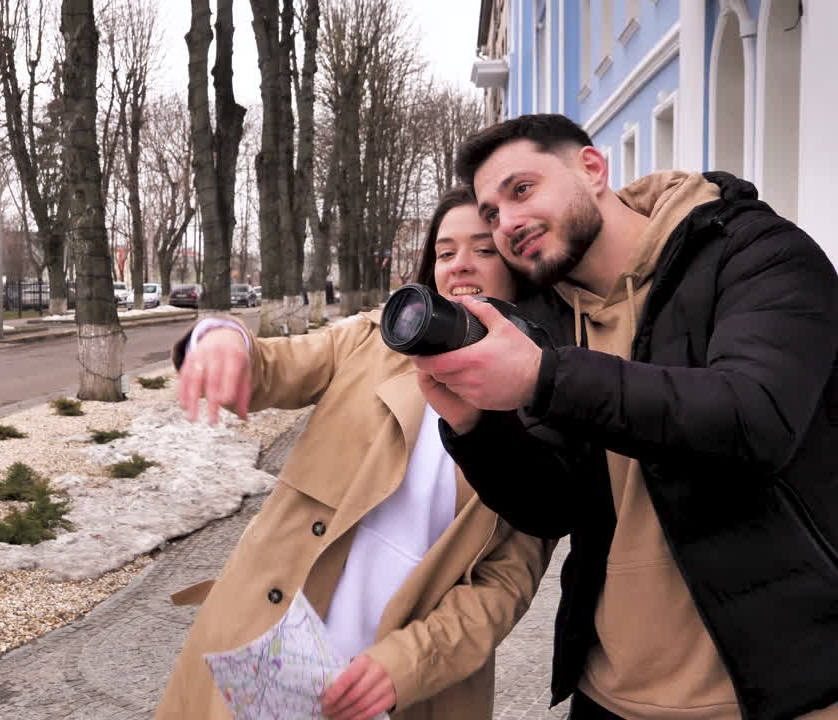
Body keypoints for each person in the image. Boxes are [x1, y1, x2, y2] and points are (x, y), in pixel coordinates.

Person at [413, 114, 838, 720]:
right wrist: (479, 429)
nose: (506, 222)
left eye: (522, 189)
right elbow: (554, 508)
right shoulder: (549, 318)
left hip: (779, 692)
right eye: (492, 213)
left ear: (592, 169)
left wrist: (543, 378)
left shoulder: (756, 252)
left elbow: (755, 420)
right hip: (608, 691)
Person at [154, 188, 553, 720]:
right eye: (445, 251)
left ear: (517, 267)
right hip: (267, 651)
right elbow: (272, 365)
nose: (460, 264)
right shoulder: (371, 343)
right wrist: (222, 337)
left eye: (483, 250)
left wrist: (406, 665)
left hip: (397, 692)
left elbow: (506, 582)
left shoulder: (545, 401)